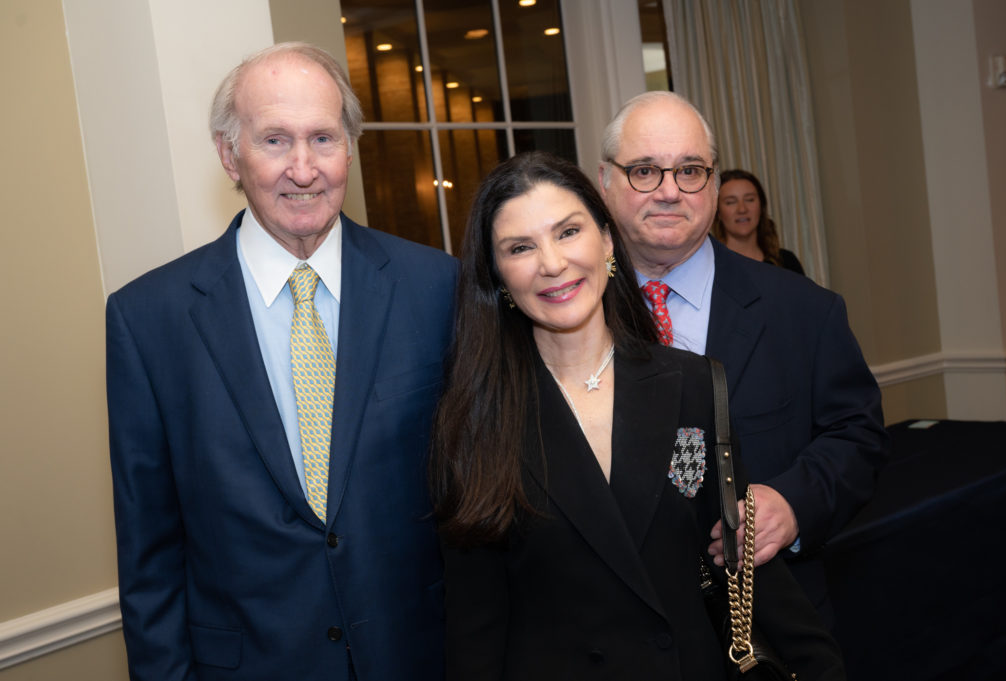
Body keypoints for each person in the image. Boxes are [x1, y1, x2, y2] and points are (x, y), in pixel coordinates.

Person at [106, 42, 456, 680]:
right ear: (229, 155)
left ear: (349, 147)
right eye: (274, 140)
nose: (304, 169)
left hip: (419, 656)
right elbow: (149, 557)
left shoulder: (436, 288)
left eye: (323, 138)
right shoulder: (147, 320)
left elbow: (478, 498)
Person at [432, 151, 845, 680]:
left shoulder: (692, 383)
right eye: (520, 247)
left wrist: (818, 664)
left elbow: (736, 554)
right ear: (497, 275)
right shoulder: (474, 418)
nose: (552, 263)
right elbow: (474, 628)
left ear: (606, 242)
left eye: (568, 232)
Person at [598, 91, 888, 624]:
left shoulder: (804, 310)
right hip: (615, 631)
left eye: (689, 170)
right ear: (605, 181)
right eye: (644, 170)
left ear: (711, 182)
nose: (668, 192)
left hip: (767, 624)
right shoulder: (566, 316)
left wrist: (794, 504)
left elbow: (857, 434)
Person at [713, 168, 805, 275]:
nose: (742, 209)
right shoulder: (710, 268)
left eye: (750, 199)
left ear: (761, 206)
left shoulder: (787, 262)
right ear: (717, 212)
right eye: (731, 202)